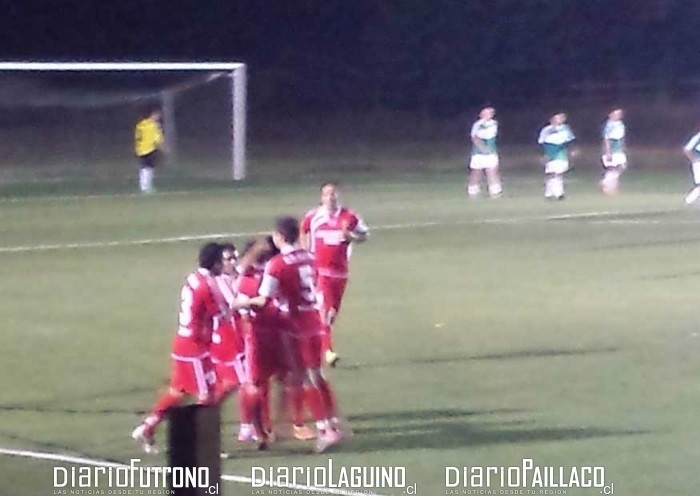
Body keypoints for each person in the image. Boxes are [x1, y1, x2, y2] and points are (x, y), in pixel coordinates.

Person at [244, 216, 344, 453]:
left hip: (295, 325)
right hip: (315, 320)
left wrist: (240, 302)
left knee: (303, 377)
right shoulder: (310, 256)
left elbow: (263, 298)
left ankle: (325, 430)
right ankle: (331, 423)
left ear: (279, 237)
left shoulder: (277, 264)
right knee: (316, 374)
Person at [131, 242, 226, 454]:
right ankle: (205, 445)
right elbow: (222, 315)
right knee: (206, 396)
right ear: (216, 263)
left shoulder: (194, 278)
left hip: (184, 343)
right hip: (195, 349)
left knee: (178, 392)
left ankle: (147, 428)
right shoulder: (207, 286)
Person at [300, 182, 368, 367]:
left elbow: (364, 235)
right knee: (325, 311)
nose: (330, 198)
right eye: (327, 194)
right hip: (319, 271)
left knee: (331, 314)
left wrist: (351, 237)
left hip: (340, 272)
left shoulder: (350, 216)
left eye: (333, 194)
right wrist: (305, 250)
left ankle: (313, 342)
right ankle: (328, 351)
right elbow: (303, 230)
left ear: (339, 196)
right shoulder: (313, 216)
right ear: (321, 198)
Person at [538, 112, 576, 200]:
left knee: (557, 174)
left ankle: (559, 194)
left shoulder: (566, 129)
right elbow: (542, 143)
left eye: (562, 118)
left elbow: (570, 142)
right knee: (551, 174)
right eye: (558, 117)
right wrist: (544, 155)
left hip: (561, 154)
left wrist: (571, 152)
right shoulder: (546, 130)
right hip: (550, 153)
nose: (560, 119)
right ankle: (549, 193)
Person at [467, 107, 502, 198]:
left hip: (490, 152)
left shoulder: (493, 123)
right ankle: (473, 191)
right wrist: (481, 147)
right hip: (477, 153)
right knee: (476, 172)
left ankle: (495, 191)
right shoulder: (477, 124)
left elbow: (488, 134)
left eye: (490, 113)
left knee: (492, 171)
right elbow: (474, 136)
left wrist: (486, 149)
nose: (487, 115)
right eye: (485, 113)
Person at [134, 107, 166, 193]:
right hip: (149, 148)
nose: (158, 117)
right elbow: (157, 139)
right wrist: (162, 147)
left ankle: (144, 186)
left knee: (144, 167)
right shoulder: (154, 125)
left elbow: (138, 136)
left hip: (140, 148)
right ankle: (146, 187)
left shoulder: (141, 124)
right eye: (157, 115)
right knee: (149, 168)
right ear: (153, 115)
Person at [600, 108, 627, 195]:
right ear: (610, 114)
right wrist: (608, 152)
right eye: (616, 114)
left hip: (619, 149)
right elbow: (607, 139)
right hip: (613, 149)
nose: (619, 115)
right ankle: (610, 187)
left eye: (620, 114)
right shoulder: (609, 125)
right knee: (613, 168)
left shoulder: (620, 124)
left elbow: (621, 137)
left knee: (621, 167)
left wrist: (623, 147)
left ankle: (606, 183)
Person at [683, 127, 700, 204]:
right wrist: (694, 159)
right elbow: (687, 149)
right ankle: (688, 201)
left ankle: (688, 201)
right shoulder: (698, 137)